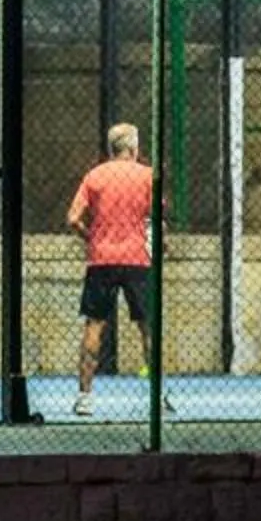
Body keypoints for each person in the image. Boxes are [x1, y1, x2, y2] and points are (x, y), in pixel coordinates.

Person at [65, 122, 167, 418]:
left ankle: (85, 397)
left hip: (101, 259)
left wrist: (91, 236)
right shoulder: (147, 176)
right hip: (136, 259)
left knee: (94, 326)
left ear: (111, 148)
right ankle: (156, 396)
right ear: (135, 148)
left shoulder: (95, 176)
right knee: (147, 326)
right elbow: (158, 217)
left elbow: (73, 218)